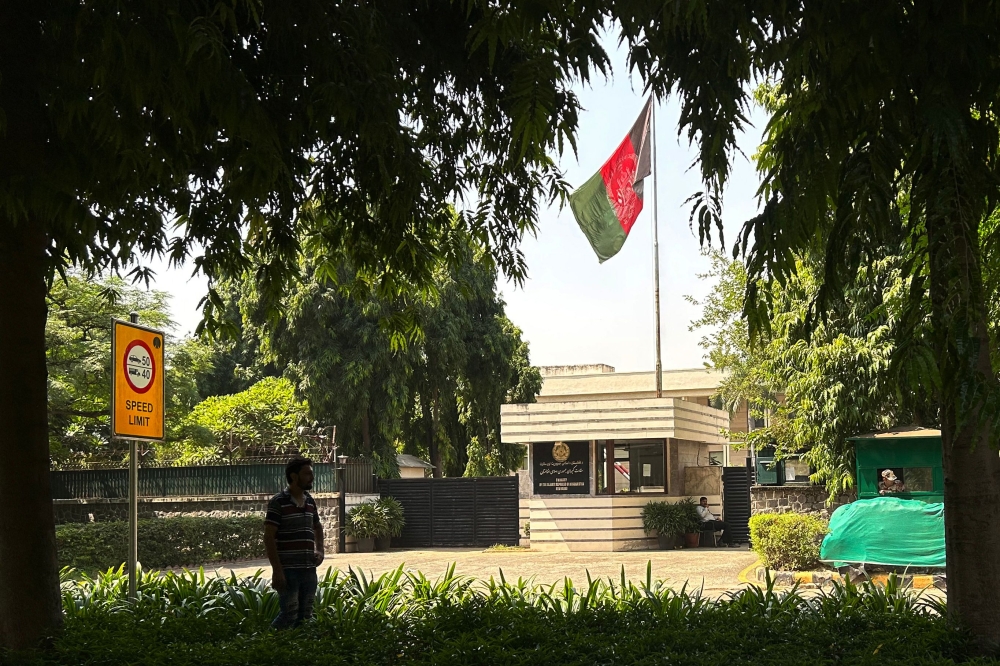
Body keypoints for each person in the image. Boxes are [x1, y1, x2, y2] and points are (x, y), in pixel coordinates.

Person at [265, 456, 325, 629]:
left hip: (309, 569)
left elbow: (317, 527)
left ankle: (299, 646)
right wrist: (277, 570)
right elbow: (269, 537)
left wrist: (320, 550)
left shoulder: (310, 501)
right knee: (288, 615)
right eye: (307, 474)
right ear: (293, 476)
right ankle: (269, 641)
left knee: (306, 616)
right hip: (288, 571)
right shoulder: (278, 502)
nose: (312, 478)